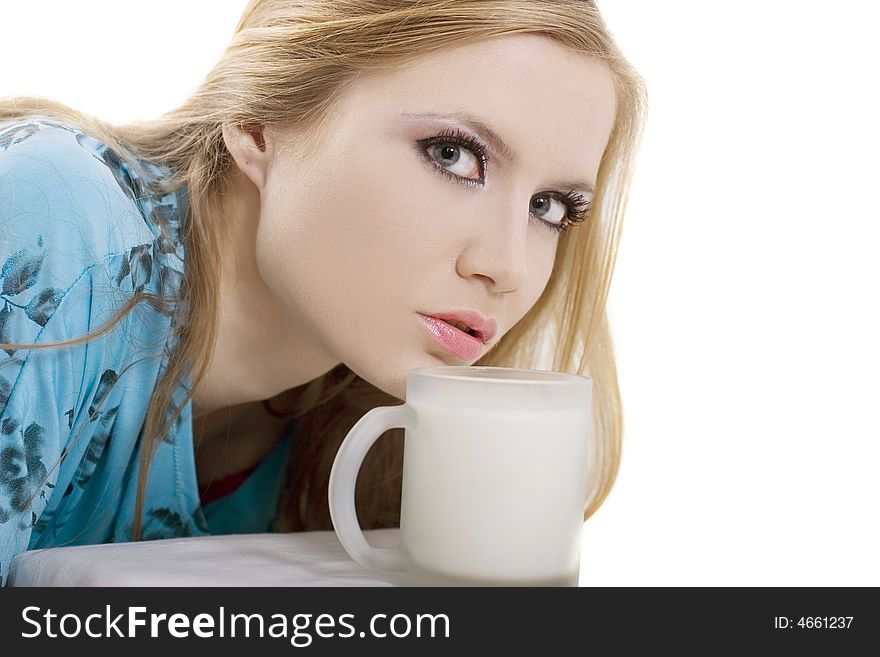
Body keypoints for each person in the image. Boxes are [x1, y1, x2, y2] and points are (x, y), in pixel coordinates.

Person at [0, 0, 647, 586]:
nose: (507, 266)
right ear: (260, 123)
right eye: (453, 155)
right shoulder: (54, 221)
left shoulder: (370, 436)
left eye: (552, 208)